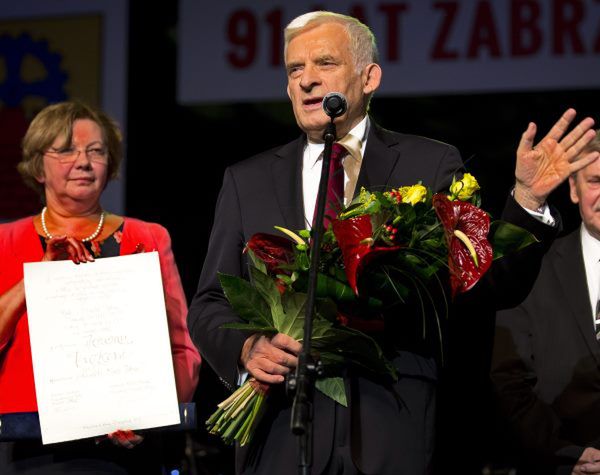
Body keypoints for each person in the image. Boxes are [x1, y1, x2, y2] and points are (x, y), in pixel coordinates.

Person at [187, 11, 599, 475]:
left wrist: (525, 200)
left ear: (369, 77)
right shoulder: (247, 181)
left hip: (394, 423)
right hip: (283, 427)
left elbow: (486, 284)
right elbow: (208, 304)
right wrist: (247, 346)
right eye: (294, 70)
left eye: (324, 63)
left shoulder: (430, 163)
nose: (306, 81)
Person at [0, 101, 201, 474]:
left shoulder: (148, 237)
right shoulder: (5, 241)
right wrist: (37, 277)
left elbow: (182, 347)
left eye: (96, 151)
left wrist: (152, 413)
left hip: (126, 453)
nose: (83, 161)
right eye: (65, 150)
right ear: (37, 166)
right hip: (28, 450)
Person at [491, 132, 600, 475]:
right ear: (573, 189)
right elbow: (507, 377)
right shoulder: (533, 269)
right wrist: (564, 454)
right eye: (596, 181)